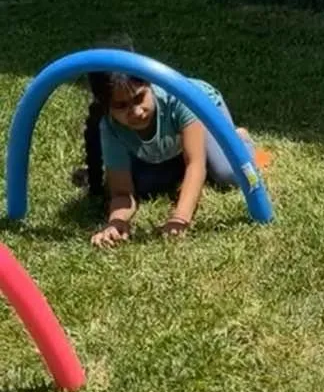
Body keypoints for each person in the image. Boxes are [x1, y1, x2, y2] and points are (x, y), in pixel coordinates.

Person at [78, 39, 266, 248]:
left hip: (203, 112)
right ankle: (176, 154)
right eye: (121, 106)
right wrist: (116, 223)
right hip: (168, 140)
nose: (136, 112)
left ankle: (239, 138)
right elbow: (122, 193)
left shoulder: (179, 100)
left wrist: (179, 219)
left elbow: (195, 164)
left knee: (227, 173)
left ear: (149, 84)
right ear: (106, 107)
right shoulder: (111, 126)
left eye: (139, 98)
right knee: (146, 186)